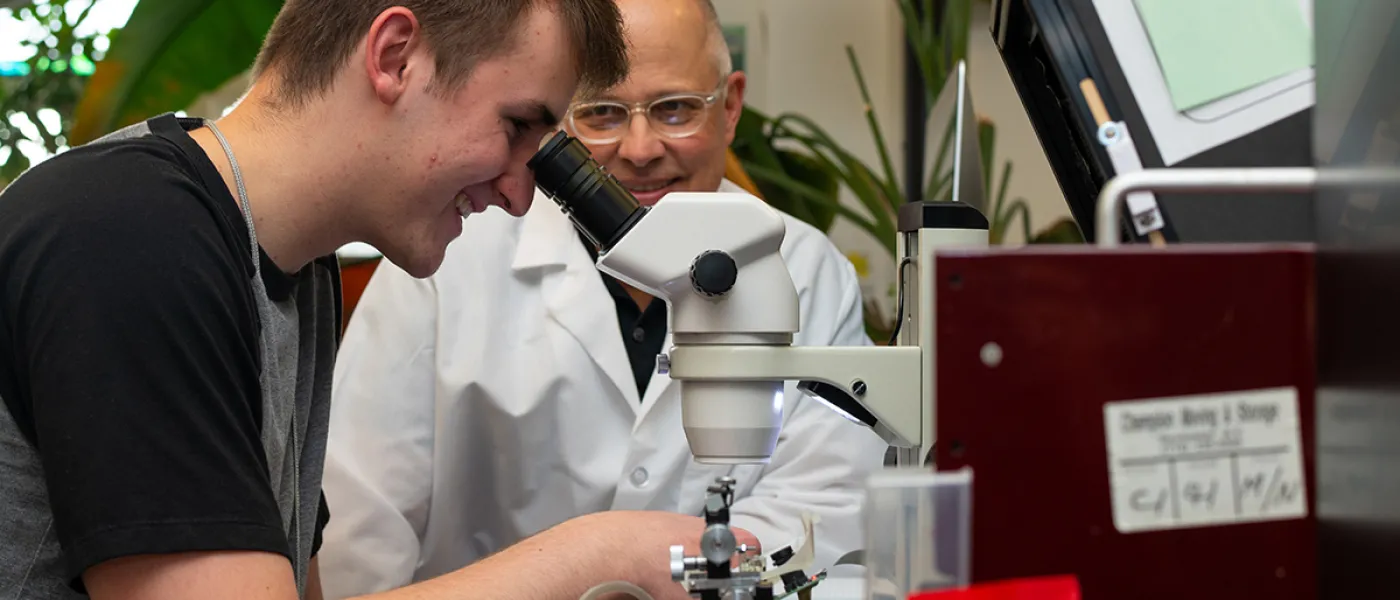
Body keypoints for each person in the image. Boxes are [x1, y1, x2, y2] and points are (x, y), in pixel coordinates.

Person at [0, 1, 739, 599]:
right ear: (395, 57)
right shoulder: (126, 235)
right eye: (516, 127)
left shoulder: (292, 271)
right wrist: (602, 551)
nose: (520, 196)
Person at [314, 0, 891, 597]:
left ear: (731, 107)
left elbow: (821, 521)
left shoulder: (803, 269)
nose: (640, 150)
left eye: (674, 110)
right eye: (602, 114)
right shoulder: (445, 258)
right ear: (557, 118)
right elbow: (361, 531)